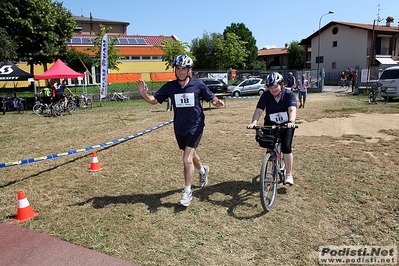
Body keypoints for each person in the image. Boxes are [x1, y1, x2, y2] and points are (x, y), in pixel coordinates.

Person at [135, 54, 225, 207]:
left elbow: (212, 98)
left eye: (184, 69)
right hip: (179, 127)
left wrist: (217, 102)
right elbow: (154, 101)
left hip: (196, 125)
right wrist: (144, 94)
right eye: (178, 68)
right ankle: (203, 171)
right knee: (191, 154)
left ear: (189, 70)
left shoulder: (198, 85)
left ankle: (187, 192)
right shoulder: (170, 87)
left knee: (186, 159)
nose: (181, 72)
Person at [247, 72, 297, 185]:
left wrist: (291, 121)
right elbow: (259, 110)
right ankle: (271, 157)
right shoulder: (265, 95)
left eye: (275, 86)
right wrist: (254, 122)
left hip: (286, 124)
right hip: (270, 123)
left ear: (281, 85)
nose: (273, 90)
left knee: (286, 147)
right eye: (270, 87)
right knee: (268, 144)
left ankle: (289, 173)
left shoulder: (289, 94)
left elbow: (292, 109)